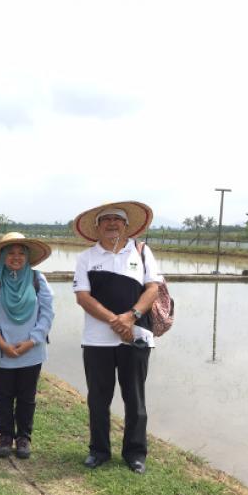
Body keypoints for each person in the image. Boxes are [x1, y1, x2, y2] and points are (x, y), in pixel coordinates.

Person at [72, 201, 162, 474]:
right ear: (97, 227)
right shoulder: (86, 258)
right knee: (98, 398)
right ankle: (99, 450)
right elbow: (83, 297)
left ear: (126, 225)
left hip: (135, 338)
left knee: (134, 397)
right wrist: (115, 320)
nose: (112, 224)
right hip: (97, 341)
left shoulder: (142, 252)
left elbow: (153, 289)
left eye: (118, 220)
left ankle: (135, 453)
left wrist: (130, 317)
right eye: (106, 220)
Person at [0, 233, 54, 459]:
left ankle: (23, 437)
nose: (16, 257)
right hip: (2, 350)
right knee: (3, 395)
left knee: (27, 396)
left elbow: (47, 313)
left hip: (32, 350)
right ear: (2, 257)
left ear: (28, 257)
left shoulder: (37, 279)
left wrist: (32, 340)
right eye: (10, 253)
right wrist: (1, 343)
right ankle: (5, 436)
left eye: (21, 253)